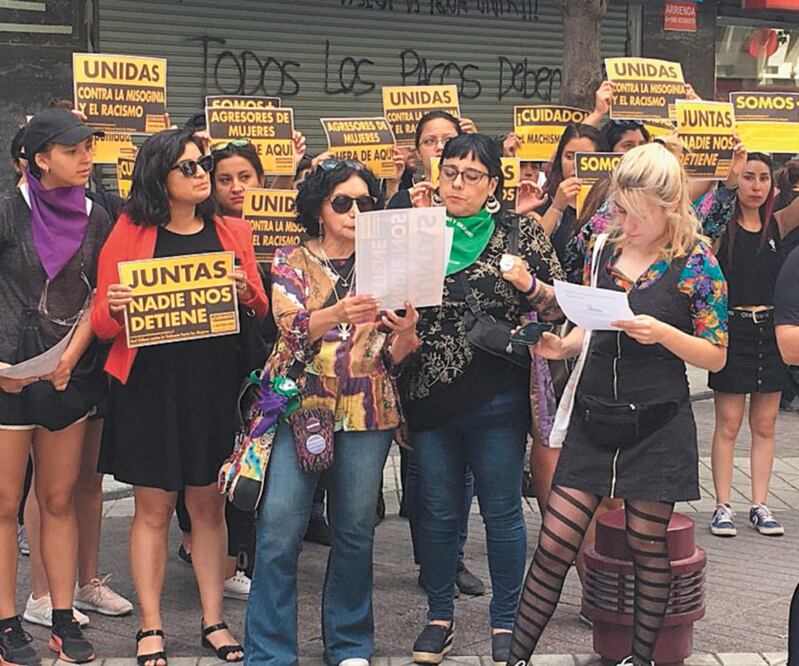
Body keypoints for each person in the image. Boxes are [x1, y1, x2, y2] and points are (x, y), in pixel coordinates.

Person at [505, 142, 728, 666]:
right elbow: (589, 319)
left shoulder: (698, 264)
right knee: (556, 541)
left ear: (668, 208)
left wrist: (663, 334)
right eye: (618, 207)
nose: (619, 219)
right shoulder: (603, 246)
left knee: (646, 545)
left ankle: (640, 658)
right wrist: (561, 344)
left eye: (633, 212)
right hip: (595, 415)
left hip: (658, 422)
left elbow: (716, 357)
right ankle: (514, 658)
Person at [93, 128, 267, 666]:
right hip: (149, 387)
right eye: (189, 167)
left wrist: (245, 291)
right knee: (153, 508)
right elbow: (101, 321)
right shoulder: (128, 230)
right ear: (159, 177)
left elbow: (259, 310)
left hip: (211, 388)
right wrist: (117, 306)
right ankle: (151, 624)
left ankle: (213, 620)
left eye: (203, 164)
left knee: (207, 505)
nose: (201, 174)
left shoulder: (233, 230)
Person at [244, 160, 419, 666]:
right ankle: (270, 650)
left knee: (355, 529)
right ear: (319, 208)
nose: (355, 211)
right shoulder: (290, 259)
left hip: (368, 407)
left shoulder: (387, 264)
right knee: (279, 527)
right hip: (300, 403)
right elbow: (289, 327)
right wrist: (337, 313)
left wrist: (406, 329)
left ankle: (349, 643)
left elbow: (395, 354)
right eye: (343, 201)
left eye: (365, 202)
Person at [403, 133, 564, 665]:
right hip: (427, 394)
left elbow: (558, 306)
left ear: (492, 184)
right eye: (450, 171)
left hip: (496, 397)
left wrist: (527, 285)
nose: (458, 183)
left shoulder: (521, 233)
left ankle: (506, 620)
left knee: (501, 512)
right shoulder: (415, 229)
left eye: (471, 175)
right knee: (438, 512)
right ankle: (439, 616)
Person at [0, 107, 110, 666]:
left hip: (68, 371)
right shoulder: (6, 210)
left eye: (88, 147)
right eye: (72, 150)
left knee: (59, 499)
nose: (86, 158)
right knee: (2, 504)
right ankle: (4, 623)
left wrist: (69, 358)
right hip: (5, 376)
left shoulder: (99, 215)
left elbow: (103, 295)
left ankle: (63, 618)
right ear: (40, 159)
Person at [708, 152, 790, 538]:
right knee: (728, 423)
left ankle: (760, 503)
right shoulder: (722, 227)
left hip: (770, 331)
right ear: (735, 180)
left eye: (763, 178)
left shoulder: (778, 223)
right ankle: (722, 505)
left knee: (765, 423)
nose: (756, 185)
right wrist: (725, 168)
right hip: (732, 329)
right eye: (748, 177)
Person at [537, 123, 602, 264]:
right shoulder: (546, 197)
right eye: (569, 156)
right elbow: (535, 246)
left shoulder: (610, 201)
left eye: (585, 158)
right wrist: (556, 207)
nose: (575, 164)